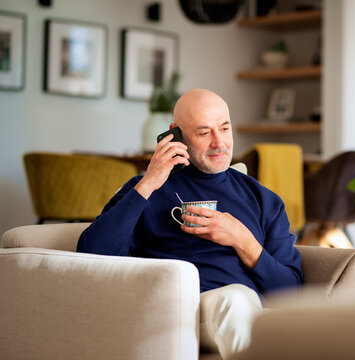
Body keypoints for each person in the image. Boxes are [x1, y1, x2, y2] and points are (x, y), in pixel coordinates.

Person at [77, 88, 303, 359]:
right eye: (204, 132)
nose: (219, 143)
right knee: (234, 301)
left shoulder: (264, 200)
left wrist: (243, 241)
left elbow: (292, 294)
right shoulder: (147, 190)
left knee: (242, 303)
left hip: (245, 310)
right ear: (176, 134)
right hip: (179, 310)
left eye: (225, 128)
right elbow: (90, 256)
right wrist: (149, 182)